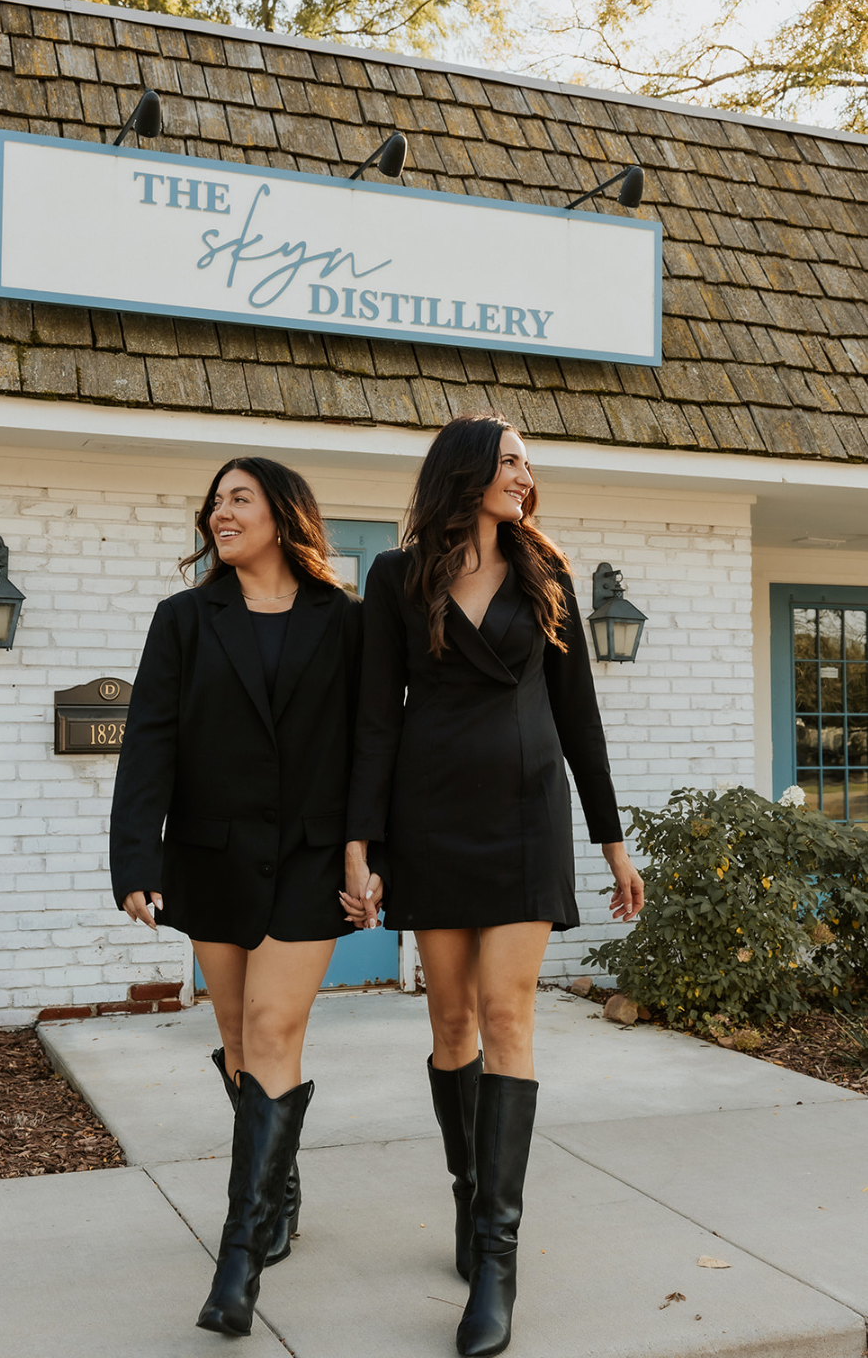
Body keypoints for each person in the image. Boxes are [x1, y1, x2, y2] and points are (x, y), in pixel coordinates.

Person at [344, 414, 644, 1358]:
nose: (525, 474)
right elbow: (374, 719)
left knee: (508, 1017)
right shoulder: (396, 578)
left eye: (527, 463)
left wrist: (612, 841)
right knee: (451, 1023)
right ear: (467, 471)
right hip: (431, 819)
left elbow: (579, 715)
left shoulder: (544, 574)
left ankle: (497, 1261)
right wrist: (361, 844)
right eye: (511, 460)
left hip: (524, 816)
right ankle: (470, 1195)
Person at [110, 455, 362, 1338]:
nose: (221, 513)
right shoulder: (184, 619)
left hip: (310, 859)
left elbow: (371, 741)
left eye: (240, 499)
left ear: (283, 515)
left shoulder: (345, 620)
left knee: (271, 1028)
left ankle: (239, 1258)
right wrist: (136, 859)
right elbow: (149, 740)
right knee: (237, 1037)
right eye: (215, 503)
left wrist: (367, 853)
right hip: (211, 857)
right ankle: (278, 1185)